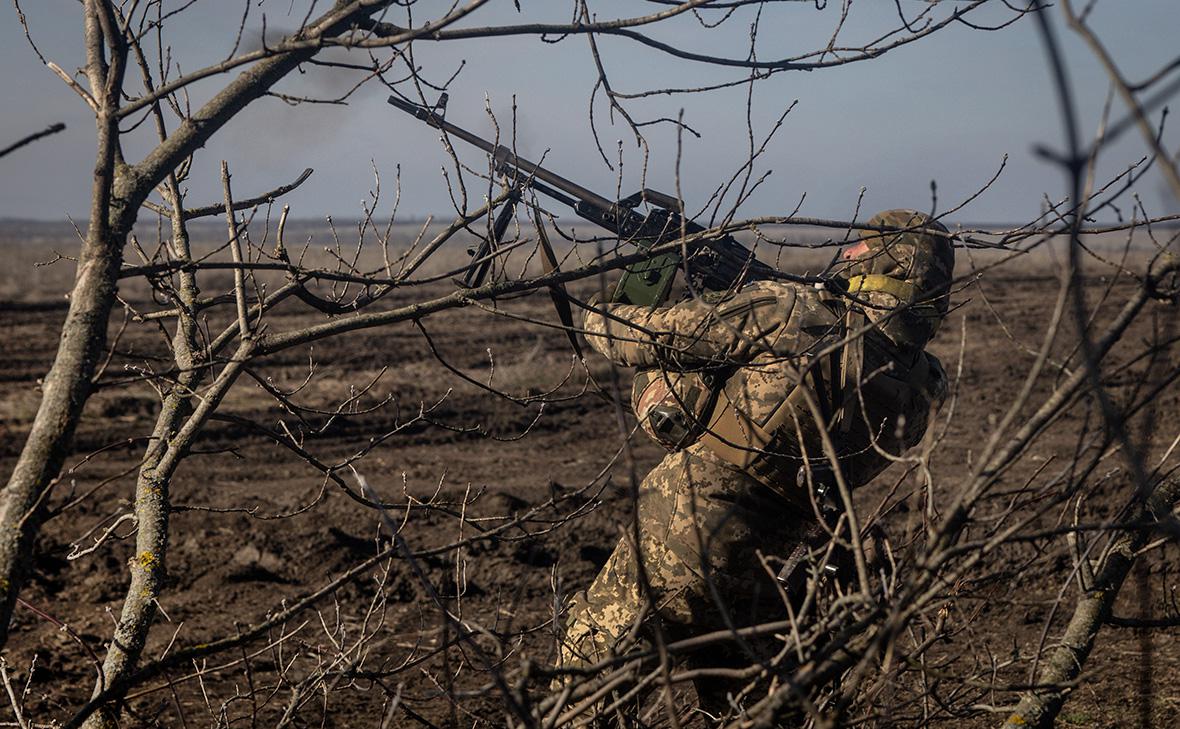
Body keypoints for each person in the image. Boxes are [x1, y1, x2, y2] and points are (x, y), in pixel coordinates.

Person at [555, 209, 955, 721]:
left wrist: (610, 303)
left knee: (586, 688)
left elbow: (633, 336)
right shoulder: (924, 386)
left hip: (683, 539)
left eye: (861, 246)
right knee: (752, 712)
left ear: (884, 264)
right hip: (776, 572)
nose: (849, 251)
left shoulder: (788, 312)